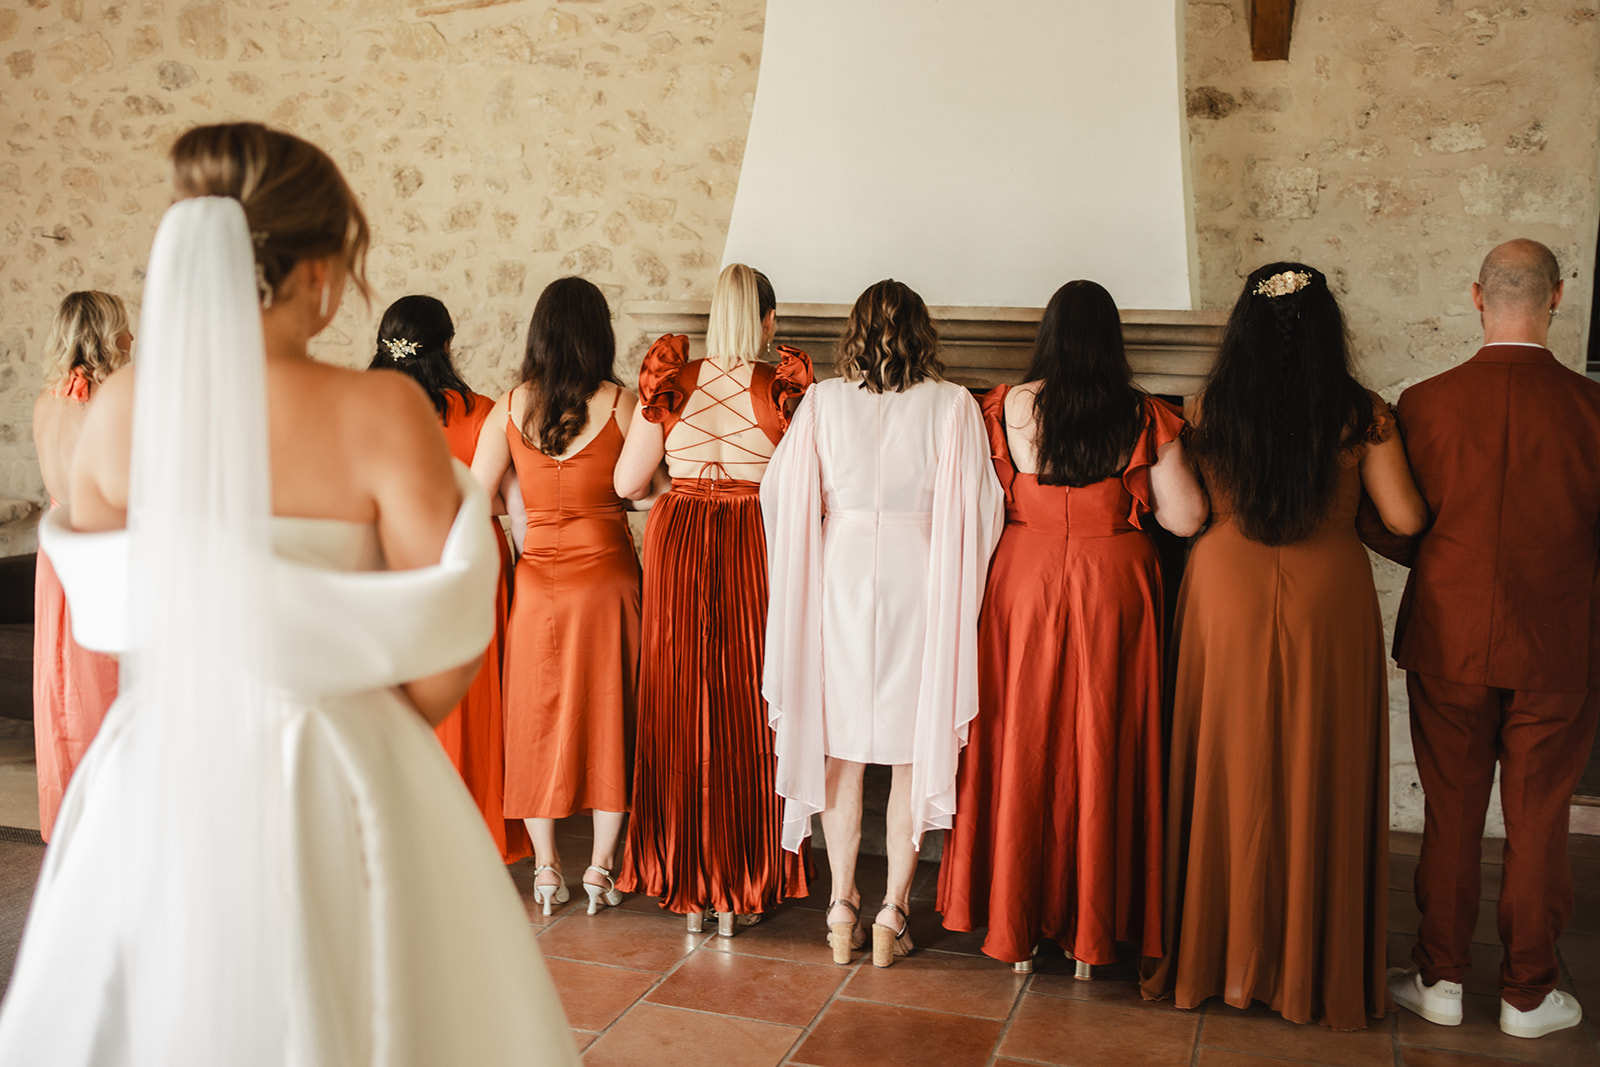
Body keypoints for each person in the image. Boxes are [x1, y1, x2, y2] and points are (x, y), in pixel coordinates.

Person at [0, 123, 576, 1065]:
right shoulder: (380, 413)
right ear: (314, 271)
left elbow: (109, 608)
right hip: (344, 763)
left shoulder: (119, 413)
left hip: (160, 765)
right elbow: (452, 628)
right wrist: (363, 732)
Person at [1139, 262, 1428, 1029]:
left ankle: (1216, 957)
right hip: (1327, 593)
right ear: (1327, 328)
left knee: (1225, 763)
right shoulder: (1362, 413)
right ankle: (1311, 966)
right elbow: (1404, 518)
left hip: (1224, 589)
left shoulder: (1208, 406)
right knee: (1317, 761)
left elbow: (1190, 507)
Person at [936, 280, 1207, 975]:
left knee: (1020, 735)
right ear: (1112, 340)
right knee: (1101, 736)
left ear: (1049, 334)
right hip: (1112, 582)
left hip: (1023, 579)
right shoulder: (1142, 413)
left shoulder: (1005, 406)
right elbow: (1185, 519)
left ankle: (1016, 923)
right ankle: (1091, 932)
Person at [1378, 239, 1600, 1040]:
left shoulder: (1424, 402)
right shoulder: (1594, 408)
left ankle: (1439, 978)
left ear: (1477, 297)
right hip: (1558, 642)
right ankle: (1527, 995)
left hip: (1450, 635)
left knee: (1451, 809)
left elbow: (1389, 522)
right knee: (1538, 817)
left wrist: (1450, 568)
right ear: (1557, 296)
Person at [762, 278, 1004, 968]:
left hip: (839, 575)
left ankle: (841, 904)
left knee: (838, 750)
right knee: (908, 751)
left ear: (855, 331)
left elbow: (779, 494)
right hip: (918, 577)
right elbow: (982, 509)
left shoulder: (824, 401)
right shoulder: (952, 405)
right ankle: (893, 911)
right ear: (922, 332)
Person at [613, 262, 813, 934]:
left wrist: (674, 488)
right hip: (752, 535)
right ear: (767, 320)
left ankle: (686, 882)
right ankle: (739, 885)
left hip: (680, 533)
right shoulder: (781, 389)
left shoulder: (673, 382)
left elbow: (627, 482)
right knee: (748, 701)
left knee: (678, 697)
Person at [470, 276, 644, 916]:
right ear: (599, 333)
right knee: (611, 713)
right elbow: (645, 488)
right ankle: (601, 867)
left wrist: (524, 503)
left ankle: (547, 870)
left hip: (538, 581)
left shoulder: (510, 406)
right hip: (609, 580)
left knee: (535, 717)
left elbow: (474, 495)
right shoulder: (622, 404)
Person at [368, 294, 530, 865]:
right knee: (475, 694)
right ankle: (475, 828)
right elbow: (511, 501)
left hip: (394, 557)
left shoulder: (363, 405)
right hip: (469, 558)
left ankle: (398, 827)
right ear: (447, 345)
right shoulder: (483, 410)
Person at [29, 291, 130, 843]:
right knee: (105, 682)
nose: (132, 338)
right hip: (102, 549)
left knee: (61, 682)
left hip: (56, 552)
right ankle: (112, 814)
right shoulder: (113, 404)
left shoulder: (46, 401)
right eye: (124, 328)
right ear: (107, 336)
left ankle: (68, 811)